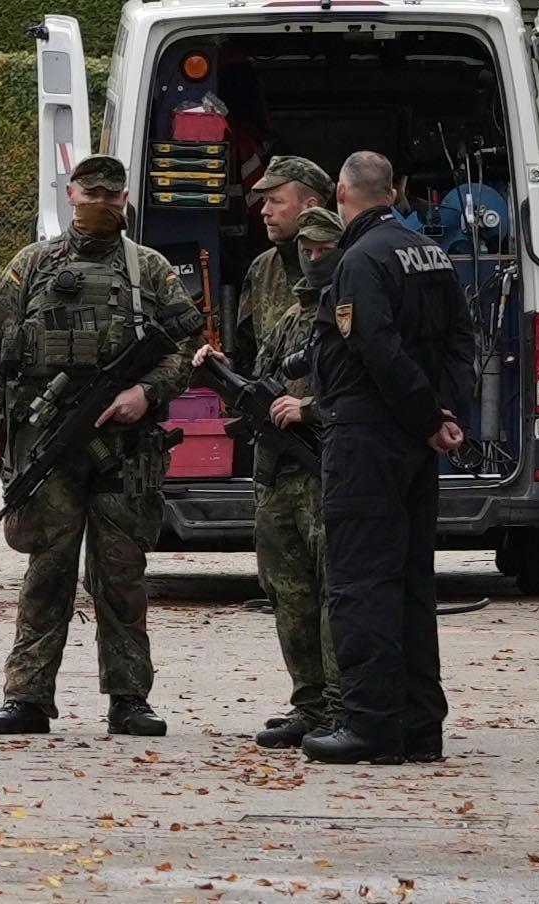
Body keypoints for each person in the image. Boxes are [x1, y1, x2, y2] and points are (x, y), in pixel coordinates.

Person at [0, 154, 203, 738]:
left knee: (121, 571)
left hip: (125, 449)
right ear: (70, 193)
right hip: (47, 441)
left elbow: (186, 345)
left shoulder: (148, 268)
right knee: (47, 568)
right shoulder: (33, 264)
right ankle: (26, 696)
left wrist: (145, 394)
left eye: (111, 192)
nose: (100, 200)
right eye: (90, 190)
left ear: (124, 199)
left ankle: (128, 696)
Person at [303, 151, 473, 766]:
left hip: (369, 438)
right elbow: (462, 337)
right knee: (410, 582)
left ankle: (372, 726)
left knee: (361, 584)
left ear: (343, 194)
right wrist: (444, 414)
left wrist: (426, 416)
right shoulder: (430, 252)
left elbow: (375, 346)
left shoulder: (359, 260)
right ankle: (420, 726)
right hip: (416, 440)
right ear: (395, 190)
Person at [198, 207, 345, 749]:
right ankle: (308, 704)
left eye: (321, 248)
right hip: (278, 476)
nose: (311, 257)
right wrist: (218, 371)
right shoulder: (287, 320)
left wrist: (308, 409)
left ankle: (338, 706)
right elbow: (259, 385)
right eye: (304, 249)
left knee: (334, 594)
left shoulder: (349, 313)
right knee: (288, 594)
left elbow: (362, 390)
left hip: (324, 471)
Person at [230, 156, 335, 377]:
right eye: (264, 201)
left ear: (310, 207)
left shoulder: (347, 262)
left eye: (276, 201)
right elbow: (247, 356)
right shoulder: (262, 268)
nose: (264, 211)